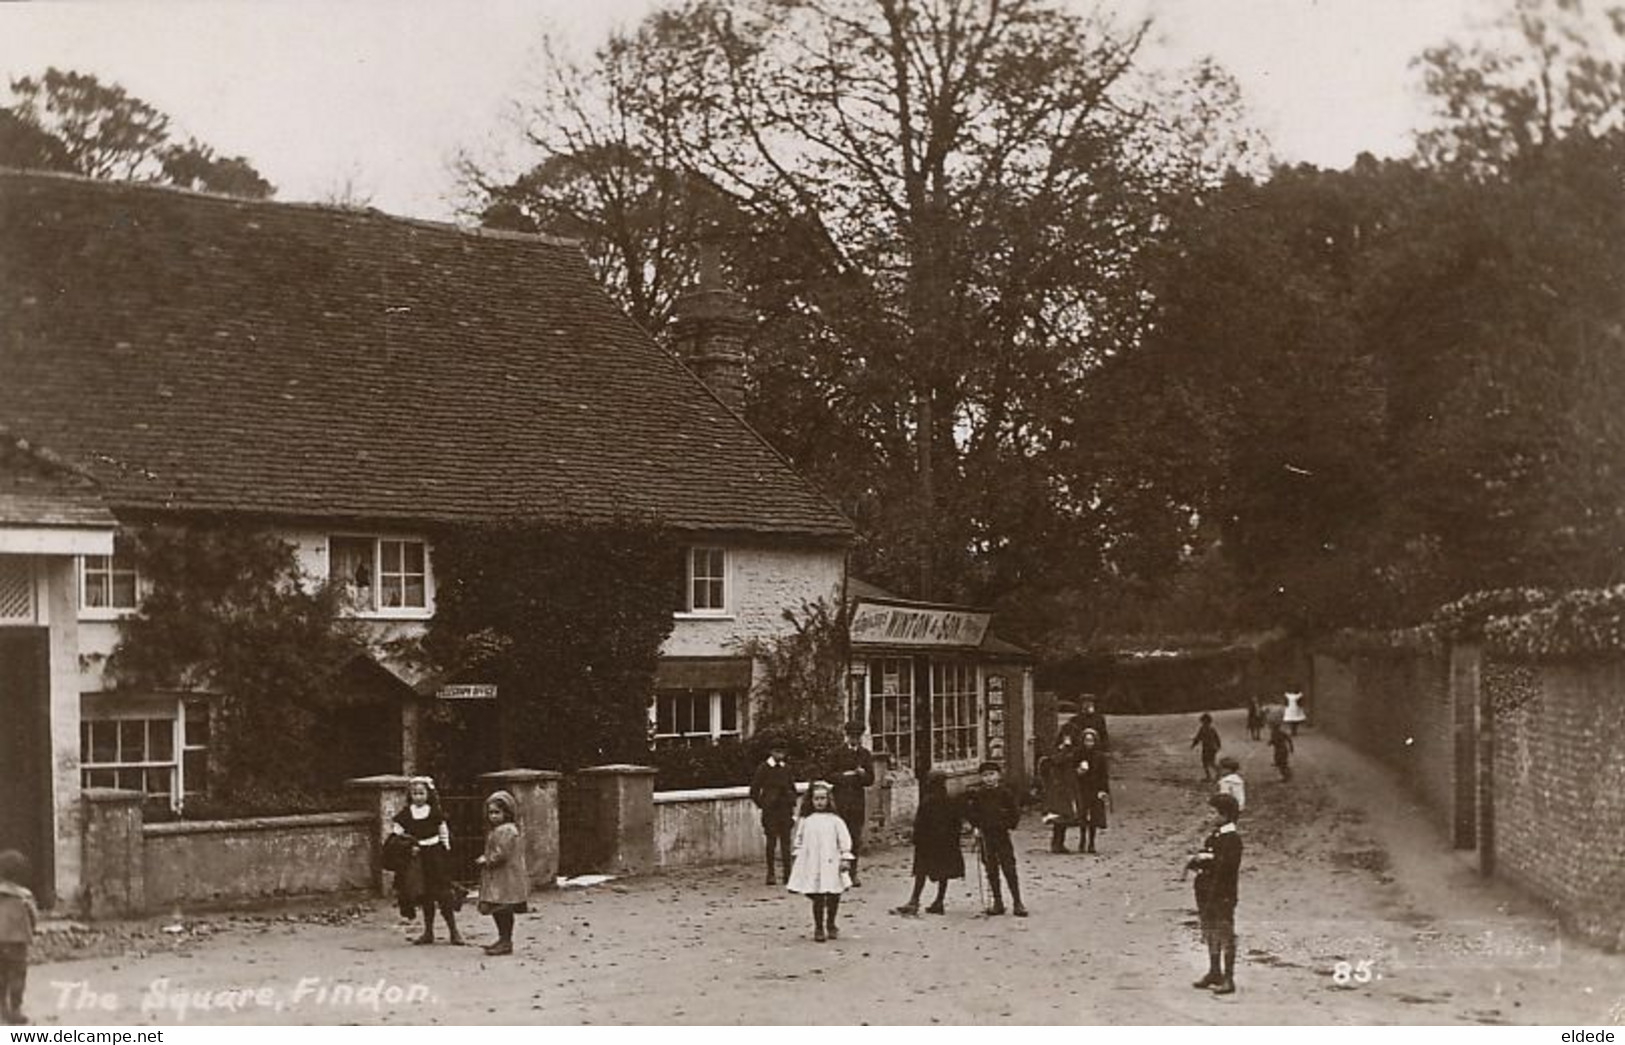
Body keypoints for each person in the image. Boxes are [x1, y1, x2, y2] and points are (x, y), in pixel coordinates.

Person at [392, 776, 464, 945]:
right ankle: (428, 931)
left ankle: (454, 931)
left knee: (443, 893)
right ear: (410, 795)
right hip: (417, 858)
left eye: (421, 793)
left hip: (435, 856)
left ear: (428, 794)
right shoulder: (406, 814)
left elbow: (443, 831)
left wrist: (445, 848)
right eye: (415, 793)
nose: (418, 797)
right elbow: (397, 835)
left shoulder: (434, 812)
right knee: (425, 895)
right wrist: (409, 846)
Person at [1187, 793, 1243, 995]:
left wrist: (1206, 858)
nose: (1209, 815)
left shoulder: (1232, 839)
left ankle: (1229, 977)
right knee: (1210, 930)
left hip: (1222, 893)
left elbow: (1226, 866)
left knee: (1225, 932)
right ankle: (1214, 971)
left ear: (1225, 815)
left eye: (1213, 812)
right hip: (1207, 891)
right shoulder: (1216, 836)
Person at [787, 781, 854, 942]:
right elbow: (799, 840)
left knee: (833, 893)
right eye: (816, 799)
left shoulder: (835, 820)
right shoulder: (806, 820)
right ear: (811, 800)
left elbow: (844, 840)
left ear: (828, 800)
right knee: (816, 894)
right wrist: (798, 856)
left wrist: (845, 857)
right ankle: (818, 927)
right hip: (813, 862)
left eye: (823, 798)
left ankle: (831, 923)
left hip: (831, 861)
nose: (819, 802)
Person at [894, 769, 964, 915]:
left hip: (928, 843)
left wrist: (916, 839)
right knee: (944, 871)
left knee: (921, 871)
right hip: (946, 842)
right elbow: (957, 822)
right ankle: (939, 901)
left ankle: (914, 900)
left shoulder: (927, 800)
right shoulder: (950, 799)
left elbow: (920, 823)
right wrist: (954, 839)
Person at [963, 760, 1027, 917]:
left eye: (992, 774)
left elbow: (1014, 812)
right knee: (991, 869)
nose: (989, 778)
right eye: (985, 775)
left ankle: (1017, 902)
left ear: (998, 775)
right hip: (986, 836)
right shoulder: (979, 795)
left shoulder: (1005, 793)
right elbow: (973, 813)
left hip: (1002, 835)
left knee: (1009, 867)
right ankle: (998, 902)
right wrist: (976, 827)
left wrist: (1007, 824)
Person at [475, 790, 528, 956]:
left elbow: (502, 853)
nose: (493, 816)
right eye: (490, 812)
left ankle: (506, 940)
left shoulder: (506, 830)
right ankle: (503, 939)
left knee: (503, 908)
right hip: (499, 877)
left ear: (507, 812)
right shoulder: (499, 829)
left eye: (497, 812)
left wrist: (487, 859)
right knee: (498, 909)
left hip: (505, 877)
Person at [828, 719, 875, 886]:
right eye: (851, 736)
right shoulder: (836, 753)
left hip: (856, 801)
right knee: (838, 838)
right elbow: (828, 775)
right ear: (846, 736)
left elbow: (871, 780)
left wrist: (863, 775)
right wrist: (844, 776)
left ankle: (853, 873)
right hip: (840, 800)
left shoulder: (865, 755)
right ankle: (836, 872)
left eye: (857, 736)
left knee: (855, 838)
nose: (854, 739)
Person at [750, 740, 798, 885]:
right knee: (771, 842)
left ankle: (787, 873)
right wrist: (763, 804)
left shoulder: (787, 768)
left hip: (785, 810)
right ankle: (771, 873)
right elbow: (754, 791)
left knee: (786, 842)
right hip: (771, 811)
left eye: (782, 752)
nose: (780, 755)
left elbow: (792, 787)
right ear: (771, 752)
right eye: (777, 751)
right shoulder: (764, 768)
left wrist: (791, 801)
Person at [0, 851, 35, 1026]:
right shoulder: (25, 896)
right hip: (17, 943)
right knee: (17, 976)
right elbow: (33, 916)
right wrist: (31, 931)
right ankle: (16, 1009)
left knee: (1, 975)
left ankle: (2, 1009)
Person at [1039, 733, 1082, 853]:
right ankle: (1056, 844)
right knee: (1059, 816)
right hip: (1058, 787)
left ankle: (1060, 843)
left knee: (1065, 817)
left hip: (1068, 786)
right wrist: (1065, 749)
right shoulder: (1058, 752)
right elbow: (1057, 761)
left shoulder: (1072, 751)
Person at [1076, 728, 1111, 855]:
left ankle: (1091, 842)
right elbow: (1072, 771)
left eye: (1091, 741)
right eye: (1086, 740)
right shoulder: (1078, 754)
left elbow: (1103, 775)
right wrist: (1079, 771)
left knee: (1094, 817)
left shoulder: (1100, 756)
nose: (1089, 743)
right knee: (1082, 815)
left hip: (1095, 788)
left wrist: (1103, 790)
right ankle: (1082, 839)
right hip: (1082, 788)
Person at [1192, 713, 1222, 782]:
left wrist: (1194, 744)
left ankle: (1215, 774)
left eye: (1203, 721)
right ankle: (1210, 775)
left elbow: (1198, 738)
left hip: (1209, 748)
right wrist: (1218, 746)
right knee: (1207, 763)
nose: (1203, 723)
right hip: (1209, 748)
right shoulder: (1209, 729)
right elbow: (1198, 738)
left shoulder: (1205, 729)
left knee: (1209, 762)